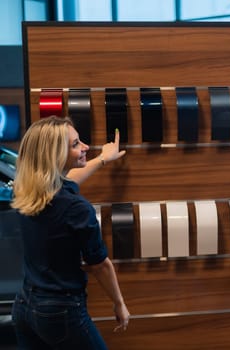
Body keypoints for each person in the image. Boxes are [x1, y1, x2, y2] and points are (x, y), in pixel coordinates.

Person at [11, 116, 130, 350]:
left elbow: (66, 181)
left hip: (25, 306)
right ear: (54, 156)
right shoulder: (77, 209)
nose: (85, 146)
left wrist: (103, 159)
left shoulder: (26, 191)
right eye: (75, 144)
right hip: (60, 312)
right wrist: (119, 304)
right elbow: (100, 265)